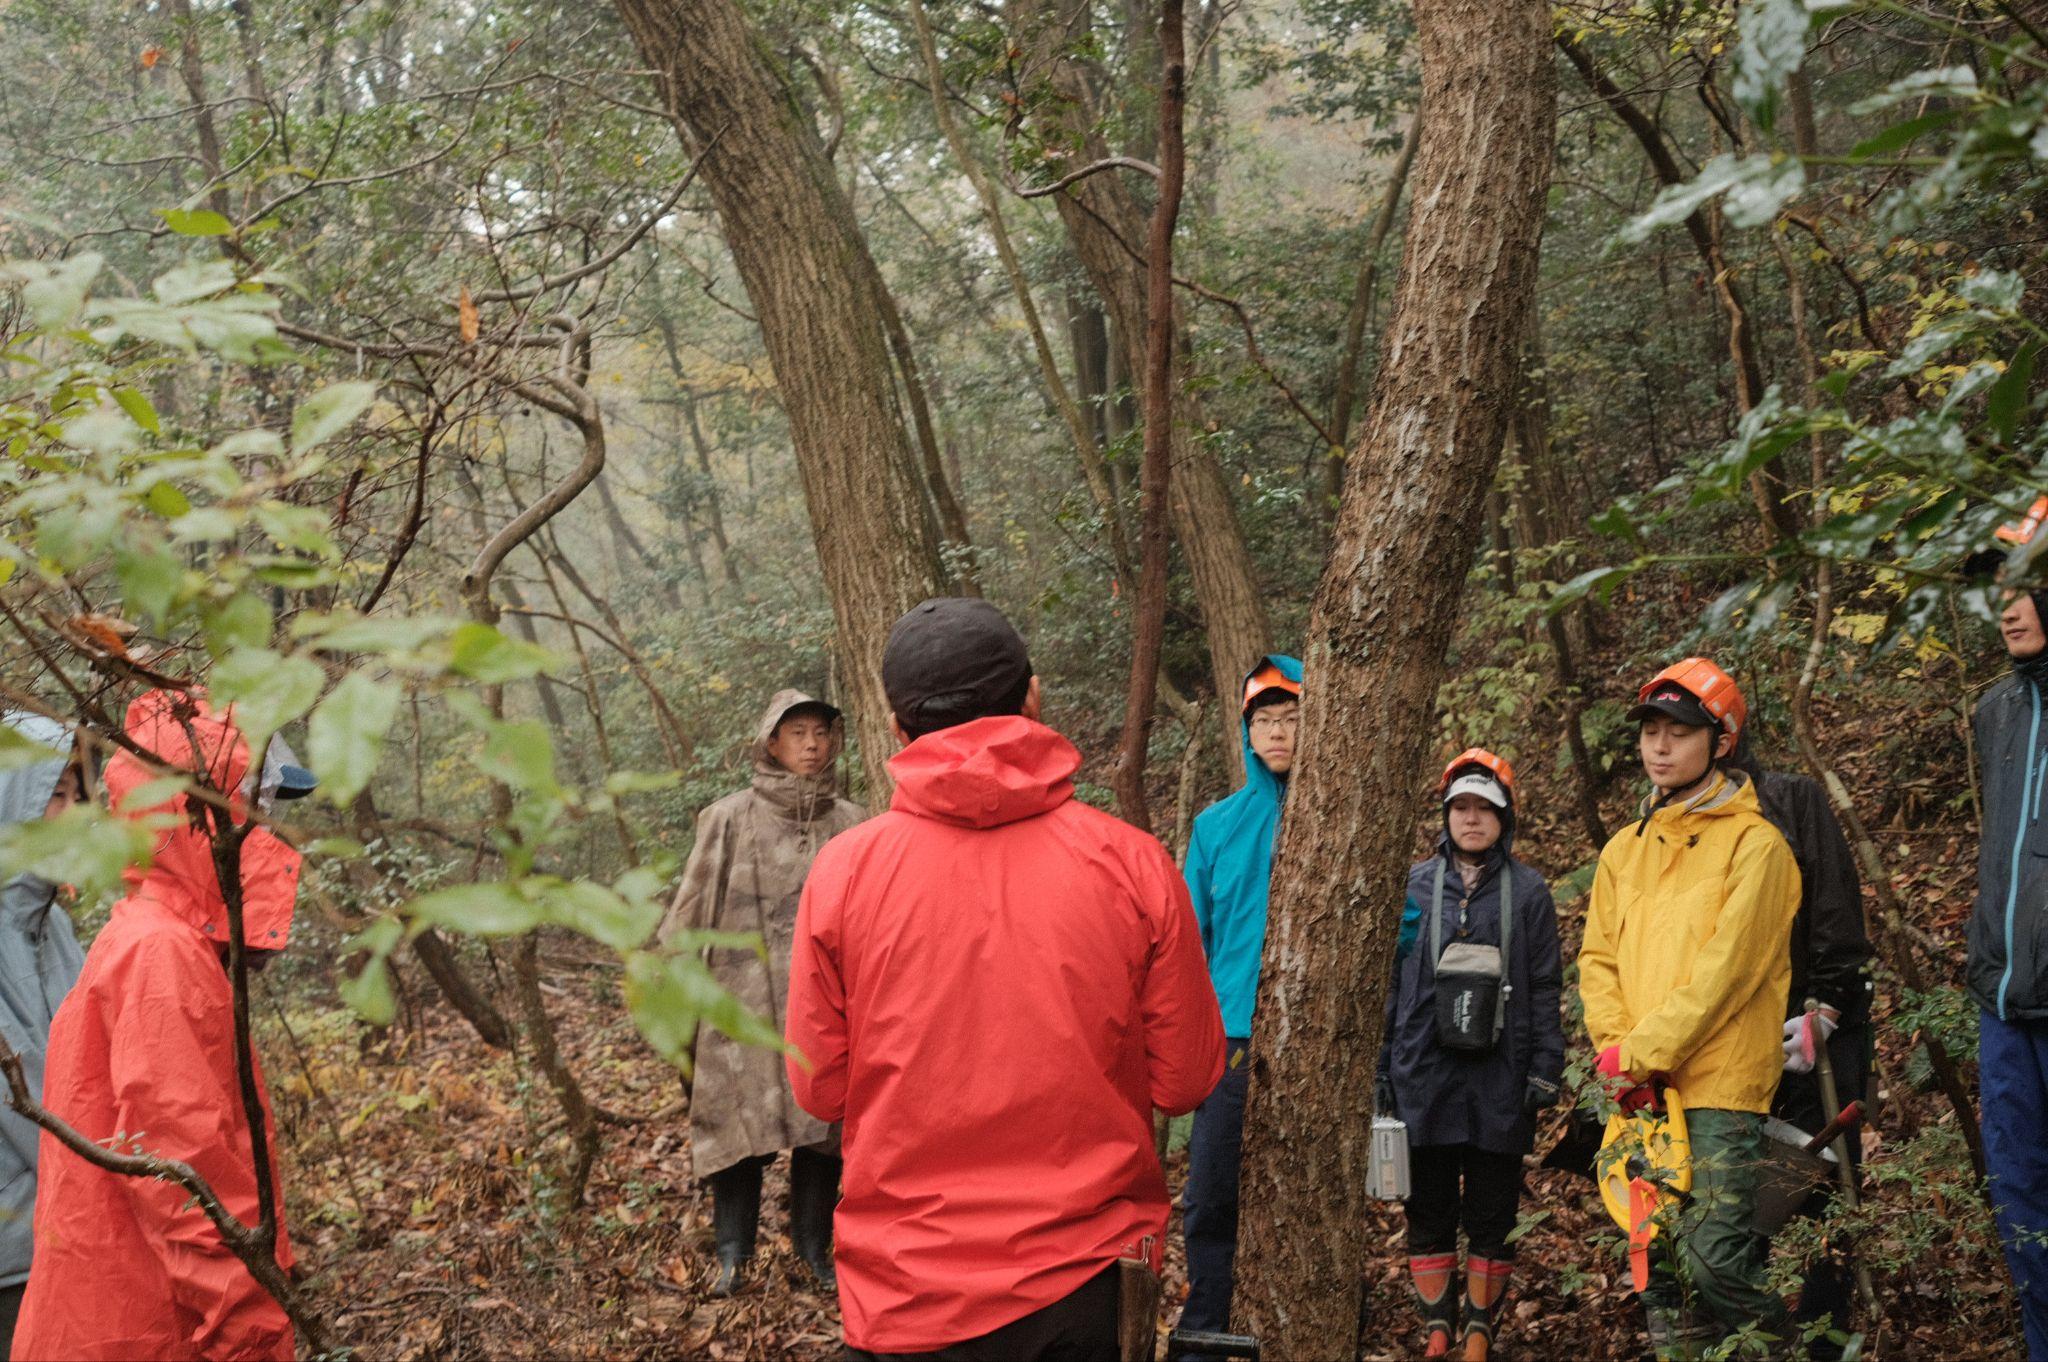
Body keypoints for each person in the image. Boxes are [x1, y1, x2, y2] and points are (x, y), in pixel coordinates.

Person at [784, 597, 1225, 1361]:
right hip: (1085, 1286)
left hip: (904, 1292)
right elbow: (1185, 1079)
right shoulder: (1129, 863)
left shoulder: (844, 875)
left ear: (897, 729)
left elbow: (819, 1088)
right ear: (1032, 698)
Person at [13, 691, 307, 1362]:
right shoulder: (159, 955)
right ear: (197, 817)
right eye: (251, 808)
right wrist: (255, 1337)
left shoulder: (161, 939)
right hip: (147, 1329)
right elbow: (185, 1182)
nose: (269, 832)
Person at [1578, 658, 1801, 1355]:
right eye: (1651, 731)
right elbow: (1598, 960)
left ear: (1722, 741)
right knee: (1662, 1273)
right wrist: (1617, 1053)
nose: (1660, 746)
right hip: (1639, 1090)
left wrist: (1640, 1053)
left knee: (1714, 1259)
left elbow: (1726, 973)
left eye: (1679, 731)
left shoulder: (1757, 847)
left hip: (1721, 1086)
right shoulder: (1622, 851)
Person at [659, 689, 865, 1296]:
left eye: (820, 733)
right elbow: (687, 913)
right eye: (796, 732)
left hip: (825, 1004)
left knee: (823, 1124)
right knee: (736, 1123)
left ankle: (813, 1252)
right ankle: (732, 1257)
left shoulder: (855, 824)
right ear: (770, 743)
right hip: (738, 1002)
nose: (811, 744)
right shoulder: (726, 818)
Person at [1381, 749, 1563, 1360]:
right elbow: (1387, 980)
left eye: (1485, 808)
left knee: (1492, 1207)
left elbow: (1545, 983)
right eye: (1462, 806)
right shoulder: (1412, 885)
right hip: (1422, 1071)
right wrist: (1381, 1069)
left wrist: (1546, 1066)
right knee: (1428, 1204)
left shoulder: (1530, 892)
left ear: (1505, 818)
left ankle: (1480, 1329)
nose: (1472, 818)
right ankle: (1438, 1327)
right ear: (1446, 813)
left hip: (1501, 1074)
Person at [1722, 731, 1874, 1346]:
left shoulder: (1794, 801)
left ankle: (1823, 1339)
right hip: (1733, 1042)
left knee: (1827, 1185)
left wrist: (1831, 1005)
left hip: (1816, 1029)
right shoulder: (1676, 824)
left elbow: (1838, 908)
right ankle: (1752, 1336)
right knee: (1739, 1193)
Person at [1177, 653, 1301, 1341]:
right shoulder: (1216, 826)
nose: (1278, 733)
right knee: (1210, 1196)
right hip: (1230, 1039)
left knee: (1305, 1196)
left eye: (1291, 717)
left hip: (1317, 1038)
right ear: (1247, 733)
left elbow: (1394, 924)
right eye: (1265, 720)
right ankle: (1206, 1334)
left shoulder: (1343, 821)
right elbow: (1187, 940)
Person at [1967, 503, 2048, 1361]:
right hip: (2004, 1004)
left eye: (2029, 585)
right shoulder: (1996, 712)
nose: (2009, 604)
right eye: (2002, 588)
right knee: (2022, 1213)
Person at [0, 715, 88, 1358]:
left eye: (80, 793)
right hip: (13, 1258)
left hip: (64, 1233)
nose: (77, 812)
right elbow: (28, 1100)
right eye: (55, 795)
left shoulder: (50, 923)